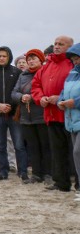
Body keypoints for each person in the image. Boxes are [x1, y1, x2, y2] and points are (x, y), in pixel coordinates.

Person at [32, 36, 76, 192]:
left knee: (74, 151)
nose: (56, 46)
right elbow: (35, 85)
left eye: (61, 44)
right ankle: (61, 182)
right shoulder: (46, 66)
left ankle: (78, 182)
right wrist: (40, 98)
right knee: (57, 150)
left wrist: (60, 98)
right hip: (50, 114)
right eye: (56, 43)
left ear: (70, 47)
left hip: (70, 115)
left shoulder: (73, 64)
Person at [0, 46, 28, 181]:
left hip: (14, 114)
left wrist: (9, 105)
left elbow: (18, 90)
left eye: (4, 56)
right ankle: (3, 171)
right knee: (0, 145)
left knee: (19, 145)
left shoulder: (16, 72)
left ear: (9, 57)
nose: (1, 58)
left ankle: (23, 171)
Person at [11, 49, 51, 183]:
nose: (30, 61)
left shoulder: (45, 73)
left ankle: (48, 174)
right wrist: (22, 97)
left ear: (41, 60)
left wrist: (32, 97)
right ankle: (36, 174)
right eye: (29, 59)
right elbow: (14, 93)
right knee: (32, 146)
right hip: (26, 117)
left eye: (34, 59)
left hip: (41, 114)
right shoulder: (23, 76)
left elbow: (47, 91)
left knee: (45, 146)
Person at [57, 43, 80, 201]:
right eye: (73, 59)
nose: (75, 61)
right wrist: (60, 101)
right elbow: (64, 92)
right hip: (71, 119)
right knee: (76, 154)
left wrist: (76, 102)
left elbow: (74, 98)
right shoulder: (72, 73)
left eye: (77, 58)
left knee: (78, 152)